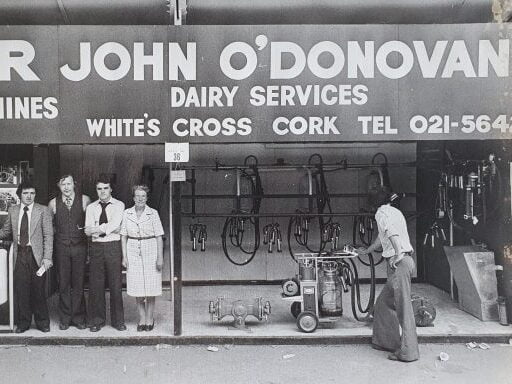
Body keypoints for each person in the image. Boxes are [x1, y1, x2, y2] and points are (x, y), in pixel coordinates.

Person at [357, 188, 419, 362]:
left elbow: (391, 232)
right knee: (383, 303)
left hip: (399, 262)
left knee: (403, 309)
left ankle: (408, 353)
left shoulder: (381, 213)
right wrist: (366, 250)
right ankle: (386, 343)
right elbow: (382, 237)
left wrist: (398, 253)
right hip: (401, 262)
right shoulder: (394, 211)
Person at [0, 181, 53, 333]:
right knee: (22, 290)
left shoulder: (43, 210)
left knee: (38, 290)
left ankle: (42, 322)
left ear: (35, 194)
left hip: (36, 256)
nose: (29, 196)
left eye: (32, 193)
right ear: (20, 195)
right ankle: (23, 323)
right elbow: (6, 231)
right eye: (25, 193)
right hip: (20, 254)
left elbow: (48, 236)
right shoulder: (13, 210)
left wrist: (47, 257)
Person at [48, 175, 91, 330]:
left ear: (74, 184)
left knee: (79, 282)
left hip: (80, 247)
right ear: (59, 186)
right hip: (61, 248)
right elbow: (49, 227)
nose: (66, 187)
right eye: (62, 184)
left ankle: (79, 317)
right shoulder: (53, 203)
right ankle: (65, 318)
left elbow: (91, 223)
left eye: (69, 183)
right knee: (64, 283)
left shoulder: (85, 200)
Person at [84, 177, 126, 332]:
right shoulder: (91, 207)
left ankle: (118, 321)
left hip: (113, 246)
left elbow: (116, 225)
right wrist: (107, 228)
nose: (102, 191)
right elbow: (88, 230)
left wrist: (98, 228)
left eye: (105, 188)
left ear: (111, 189)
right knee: (96, 285)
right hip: (96, 247)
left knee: (115, 284)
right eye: (99, 189)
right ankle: (96, 320)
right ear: (96, 190)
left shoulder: (119, 205)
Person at [121, 185, 164, 332]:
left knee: (151, 288)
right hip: (133, 250)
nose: (140, 199)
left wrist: (160, 258)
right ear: (133, 198)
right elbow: (123, 236)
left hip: (150, 249)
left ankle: (150, 318)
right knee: (137, 287)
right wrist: (124, 257)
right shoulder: (127, 213)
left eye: (143, 196)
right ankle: (142, 318)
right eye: (137, 196)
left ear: (147, 198)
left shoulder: (153, 214)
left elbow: (159, 237)